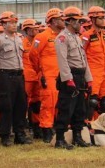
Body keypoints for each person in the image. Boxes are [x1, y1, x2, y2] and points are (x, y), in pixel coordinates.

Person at [0, 12, 32, 147]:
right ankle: (5, 135)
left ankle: (20, 134)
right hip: (5, 76)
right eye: (11, 23)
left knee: (21, 105)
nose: (14, 25)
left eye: (15, 22)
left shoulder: (19, 39)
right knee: (6, 106)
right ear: (3, 24)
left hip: (19, 76)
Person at [53, 6, 93, 150]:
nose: (81, 24)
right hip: (70, 76)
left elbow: (84, 60)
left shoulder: (77, 37)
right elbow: (62, 61)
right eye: (78, 21)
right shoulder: (62, 38)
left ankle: (78, 137)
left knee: (80, 109)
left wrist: (89, 79)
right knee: (66, 109)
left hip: (80, 75)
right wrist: (68, 79)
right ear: (69, 21)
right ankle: (60, 139)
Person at [29, 8, 65, 143]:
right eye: (61, 19)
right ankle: (46, 130)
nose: (64, 21)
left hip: (63, 76)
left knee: (61, 104)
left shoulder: (63, 36)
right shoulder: (42, 36)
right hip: (48, 76)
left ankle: (59, 129)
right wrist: (41, 71)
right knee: (48, 104)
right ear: (54, 21)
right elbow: (33, 55)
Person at [82, 6, 105, 120]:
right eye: (100, 18)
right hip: (93, 73)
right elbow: (81, 55)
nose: (103, 20)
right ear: (93, 19)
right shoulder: (86, 36)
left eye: (103, 17)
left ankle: (103, 127)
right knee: (91, 101)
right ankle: (87, 126)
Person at [21, 18, 42, 139]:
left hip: (38, 77)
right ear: (28, 30)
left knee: (37, 103)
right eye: (34, 28)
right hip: (27, 77)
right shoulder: (22, 43)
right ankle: (21, 128)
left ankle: (37, 128)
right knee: (24, 104)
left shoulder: (38, 42)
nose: (37, 30)